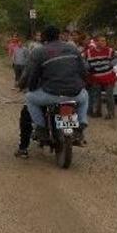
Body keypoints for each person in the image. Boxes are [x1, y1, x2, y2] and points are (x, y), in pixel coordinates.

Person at [15, 25, 90, 155]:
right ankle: (81, 124)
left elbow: (30, 74)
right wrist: (81, 83)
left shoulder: (39, 52)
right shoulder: (72, 48)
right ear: (59, 35)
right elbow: (84, 71)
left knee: (29, 99)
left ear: (44, 37)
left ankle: (41, 128)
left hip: (51, 93)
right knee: (85, 96)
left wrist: (27, 87)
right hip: (74, 93)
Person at [84, 34, 117, 119]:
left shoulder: (109, 50)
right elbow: (81, 58)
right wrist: (87, 66)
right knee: (97, 96)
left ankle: (111, 113)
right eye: (100, 41)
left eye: (103, 41)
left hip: (108, 76)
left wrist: (112, 63)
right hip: (95, 77)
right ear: (95, 42)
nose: (102, 43)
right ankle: (97, 112)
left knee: (109, 96)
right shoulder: (89, 52)